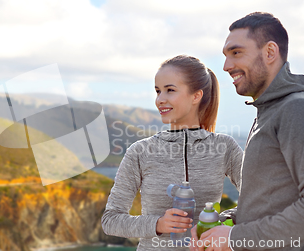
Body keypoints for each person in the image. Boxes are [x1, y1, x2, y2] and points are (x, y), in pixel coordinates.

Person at [191, 12, 304, 251]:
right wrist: (218, 225)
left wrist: (234, 238)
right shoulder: (270, 111)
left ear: (270, 52)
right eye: (226, 56)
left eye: (236, 52)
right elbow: (268, 201)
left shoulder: (297, 110)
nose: (226, 66)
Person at [101, 55, 243, 250]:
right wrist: (157, 224)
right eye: (158, 91)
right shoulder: (140, 151)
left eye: (170, 90)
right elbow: (111, 220)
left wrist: (222, 220)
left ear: (196, 96)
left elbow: (259, 200)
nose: (160, 99)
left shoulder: (225, 147)